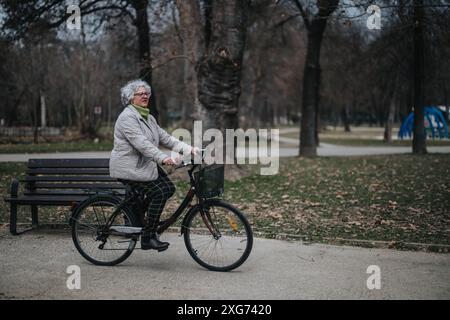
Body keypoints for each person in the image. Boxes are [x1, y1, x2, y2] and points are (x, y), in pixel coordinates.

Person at [110, 79, 197, 251]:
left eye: (146, 93)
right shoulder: (127, 118)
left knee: (168, 189)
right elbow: (142, 144)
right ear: (130, 98)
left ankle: (137, 214)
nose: (144, 96)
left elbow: (166, 138)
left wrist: (189, 149)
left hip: (143, 166)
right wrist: (163, 158)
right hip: (129, 168)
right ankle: (148, 237)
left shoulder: (148, 117)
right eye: (140, 94)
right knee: (159, 192)